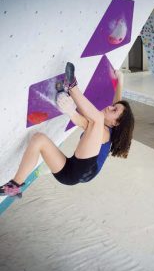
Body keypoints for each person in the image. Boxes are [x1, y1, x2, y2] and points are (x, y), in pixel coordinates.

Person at [0, 62, 134, 196]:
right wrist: (120, 80)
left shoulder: (104, 132)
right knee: (38, 139)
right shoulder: (107, 122)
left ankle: (72, 86)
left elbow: (86, 121)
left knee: (96, 120)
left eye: (114, 109)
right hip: (68, 171)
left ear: (116, 123)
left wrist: (71, 111)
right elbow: (117, 102)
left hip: (82, 172)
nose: (110, 107)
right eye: (113, 106)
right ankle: (15, 186)